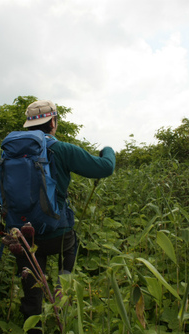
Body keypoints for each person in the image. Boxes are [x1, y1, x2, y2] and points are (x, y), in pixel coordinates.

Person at [17, 100, 115, 333]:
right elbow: (104, 168)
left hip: (23, 232)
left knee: (31, 288)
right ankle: (62, 294)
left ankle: (34, 321)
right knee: (70, 247)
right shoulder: (61, 149)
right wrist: (108, 150)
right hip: (57, 232)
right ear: (52, 122)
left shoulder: (12, 149)